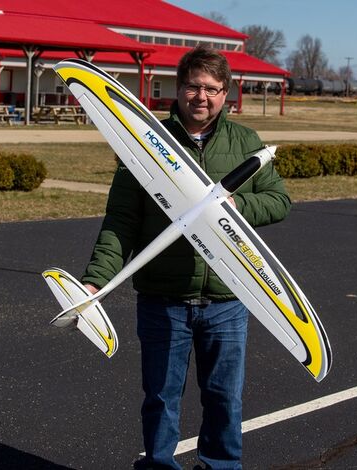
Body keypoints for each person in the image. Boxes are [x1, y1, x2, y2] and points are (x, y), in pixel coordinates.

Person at [81, 45, 291, 469]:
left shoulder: (245, 142)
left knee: (224, 398)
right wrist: (95, 280)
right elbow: (121, 220)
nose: (202, 97)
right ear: (178, 88)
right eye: (193, 86)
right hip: (164, 299)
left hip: (227, 299)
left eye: (212, 89)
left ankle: (221, 466)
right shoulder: (145, 142)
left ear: (225, 94)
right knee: (161, 398)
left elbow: (279, 201)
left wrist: (235, 208)